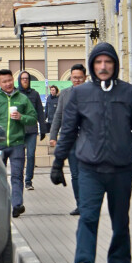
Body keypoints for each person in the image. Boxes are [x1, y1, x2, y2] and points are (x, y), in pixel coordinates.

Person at [51, 43, 132, 263]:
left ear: (115, 65)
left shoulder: (129, 94)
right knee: (88, 217)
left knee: (120, 221)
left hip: (121, 169)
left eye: (108, 62)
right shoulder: (80, 94)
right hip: (89, 169)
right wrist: (57, 163)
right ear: (92, 66)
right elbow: (69, 131)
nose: (103, 67)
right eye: (98, 62)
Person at [0, 68, 37, 219]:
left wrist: (21, 117)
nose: (8, 84)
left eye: (10, 80)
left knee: (17, 176)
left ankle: (17, 205)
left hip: (17, 143)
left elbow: (33, 118)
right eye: (4, 81)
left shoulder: (22, 99)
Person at [48, 64, 87, 215]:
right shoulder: (64, 94)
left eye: (79, 78)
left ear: (85, 78)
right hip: (70, 139)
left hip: (87, 139)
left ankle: (88, 202)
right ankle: (80, 205)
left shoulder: (91, 93)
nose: (76, 80)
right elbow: (58, 116)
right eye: (74, 77)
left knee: (87, 173)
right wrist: (53, 136)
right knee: (75, 174)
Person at [17, 70, 45, 191]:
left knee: (31, 155)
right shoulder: (15, 93)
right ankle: (19, 180)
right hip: (18, 131)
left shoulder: (35, 94)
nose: (25, 80)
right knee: (19, 156)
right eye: (23, 78)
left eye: (27, 78)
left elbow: (40, 112)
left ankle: (28, 181)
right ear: (19, 80)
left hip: (32, 131)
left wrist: (43, 129)